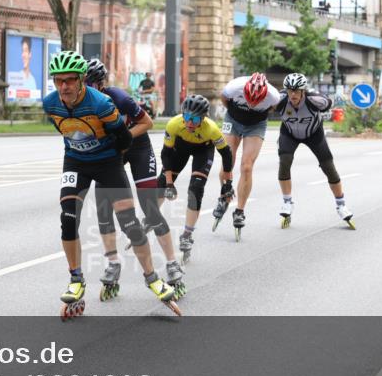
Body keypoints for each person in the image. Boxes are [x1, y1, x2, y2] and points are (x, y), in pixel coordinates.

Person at [42, 50, 179, 319]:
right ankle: (76, 279)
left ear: (81, 80)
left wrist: (106, 153)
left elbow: (125, 140)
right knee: (68, 218)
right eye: (58, 81)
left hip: (108, 162)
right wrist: (81, 147)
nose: (63, 86)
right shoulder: (50, 103)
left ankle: (152, 278)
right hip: (76, 162)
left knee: (129, 223)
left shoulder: (102, 103)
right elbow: (66, 132)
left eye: (69, 80)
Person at [84, 59, 184, 300]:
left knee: (150, 207)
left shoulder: (118, 98)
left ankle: (171, 263)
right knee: (103, 206)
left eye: (90, 84)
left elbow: (147, 122)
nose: (85, 88)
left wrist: (123, 139)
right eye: (83, 83)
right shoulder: (83, 104)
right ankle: (113, 263)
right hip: (113, 153)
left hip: (138, 147)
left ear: (100, 84)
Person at [274, 72, 354, 228]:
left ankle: (341, 205)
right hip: (289, 134)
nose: (293, 94)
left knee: (329, 168)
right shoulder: (279, 100)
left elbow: (330, 103)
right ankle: (287, 202)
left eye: (297, 91)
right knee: (284, 161)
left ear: (304, 91)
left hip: (314, 134)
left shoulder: (315, 100)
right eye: (290, 90)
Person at [160, 94, 235, 258]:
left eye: (194, 119)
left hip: (203, 150)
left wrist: (228, 182)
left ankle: (187, 235)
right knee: (161, 185)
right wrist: (169, 183)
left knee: (195, 189)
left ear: (203, 118)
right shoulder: (174, 124)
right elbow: (165, 154)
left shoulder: (212, 129)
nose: (189, 123)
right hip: (180, 149)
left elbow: (227, 154)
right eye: (186, 117)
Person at [216, 72, 281, 238]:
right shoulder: (234, 87)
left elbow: (272, 109)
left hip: (256, 125)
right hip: (233, 120)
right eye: (249, 99)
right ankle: (225, 195)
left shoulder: (273, 96)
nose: (252, 103)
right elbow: (223, 98)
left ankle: (239, 210)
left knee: (247, 166)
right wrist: (235, 114)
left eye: (256, 101)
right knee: (227, 161)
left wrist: (253, 113)